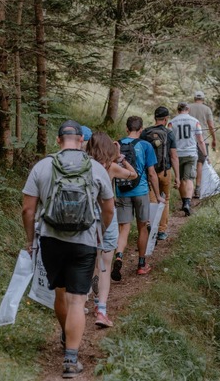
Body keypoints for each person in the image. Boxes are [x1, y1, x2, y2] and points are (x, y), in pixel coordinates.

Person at [21, 120, 115, 379]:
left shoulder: (41, 166)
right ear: (82, 141)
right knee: (78, 299)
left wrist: (30, 241)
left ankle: (66, 335)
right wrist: (102, 232)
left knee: (60, 294)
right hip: (84, 241)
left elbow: (28, 210)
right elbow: (108, 208)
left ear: (57, 140)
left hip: (51, 240)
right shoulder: (95, 168)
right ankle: (71, 360)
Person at [86, 131, 138, 328]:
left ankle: (82, 301)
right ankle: (101, 309)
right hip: (107, 216)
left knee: (89, 261)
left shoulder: (84, 166)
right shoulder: (112, 167)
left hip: (87, 216)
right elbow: (133, 175)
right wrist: (120, 158)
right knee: (105, 265)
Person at [112, 116, 166, 281]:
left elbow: (112, 170)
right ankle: (141, 265)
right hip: (141, 191)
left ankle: (119, 256)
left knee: (124, 229)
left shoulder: (117, 145)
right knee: (143, 227)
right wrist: (157, 196)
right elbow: (151, 173)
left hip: (122, 192)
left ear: (127, 129)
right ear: (141, 129)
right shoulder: (146, 145)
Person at [140, 106, 180, 241]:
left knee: (152, 201)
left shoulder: (145, 133)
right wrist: (178, 177)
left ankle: (151, 228)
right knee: (165, 200)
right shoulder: (169, 133)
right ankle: (162, 231)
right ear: (166, 118)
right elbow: (174, 156)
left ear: (155, 118)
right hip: (165, 171)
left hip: (150, 171)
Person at [168, 102, 207, 216]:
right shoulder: (195, 121)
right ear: (188, 109)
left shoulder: (171, 123)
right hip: (190, 153)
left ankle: (183, 201)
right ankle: (187, 203)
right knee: (189, 178)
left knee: (179, 178)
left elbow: (169, 139)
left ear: (178, 110)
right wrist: (205, 154)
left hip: (177, 154)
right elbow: (200, 139)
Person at [187, 91, 217, 198]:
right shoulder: (207, 109)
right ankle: (198, 188)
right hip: (203, 139)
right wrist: (214, 139)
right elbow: (211, 126)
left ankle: (187, 189)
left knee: (190, 164)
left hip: (189, 140)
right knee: (200, 163)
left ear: (194, 98)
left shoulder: (188, 108)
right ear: (203, 99)